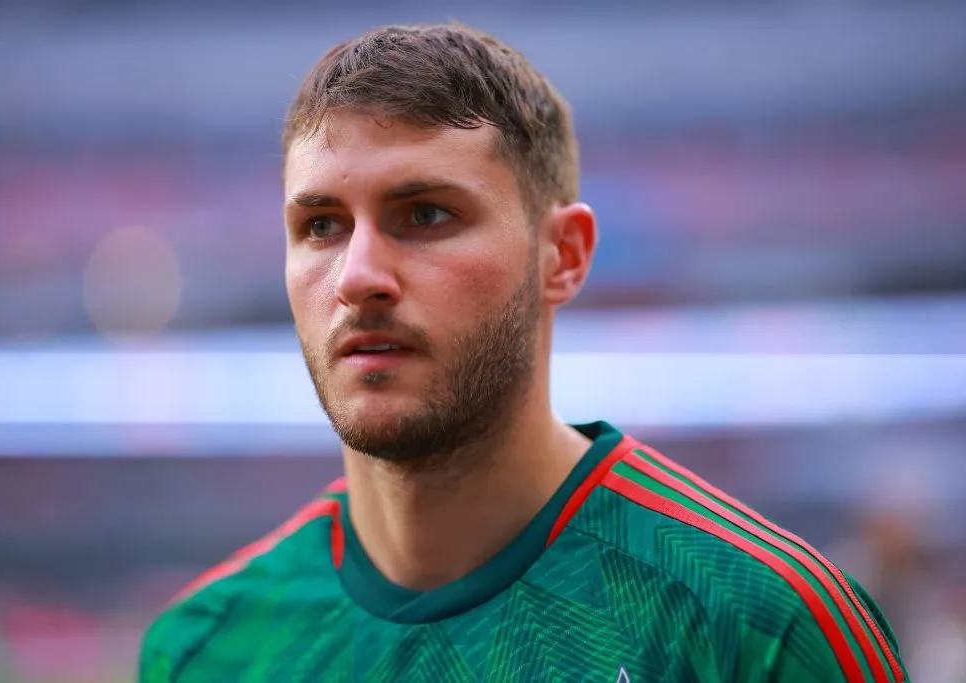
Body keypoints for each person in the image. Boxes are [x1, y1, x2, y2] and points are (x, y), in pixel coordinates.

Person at [139, 23, 909, 682]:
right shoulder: (202, 649)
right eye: (321, 225)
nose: (357, 276)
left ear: (563, 255)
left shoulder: (758, 627)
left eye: (425, 213)